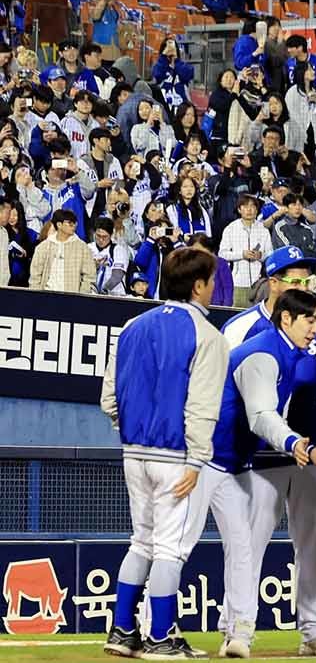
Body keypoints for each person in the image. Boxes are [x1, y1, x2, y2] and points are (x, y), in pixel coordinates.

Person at [100, 247, 229, 660]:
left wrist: (131, 429)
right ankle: (160, 637)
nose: (214, 287)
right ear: (198, 285)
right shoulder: (208, 335)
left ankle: (122, 631)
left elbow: (109, 397)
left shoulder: (134, 324)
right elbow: (202, 405)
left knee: (143, 542)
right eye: (210, 280)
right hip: (176, 457)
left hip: (134, 452)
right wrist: (196, 460)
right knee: (169, 549)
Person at [205, 288, 316, 657]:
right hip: (203, 458)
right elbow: (262, 415)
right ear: (286, 319)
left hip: (233, 461)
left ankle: (239, 633)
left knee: (242, 548)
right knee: (173, 544)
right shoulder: (263, 350)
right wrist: (299, 445)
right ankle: (154, 629)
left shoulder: (287, 350)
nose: (315, 329)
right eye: (309, 320)